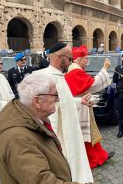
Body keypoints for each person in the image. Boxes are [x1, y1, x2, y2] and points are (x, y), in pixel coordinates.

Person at [0, 73, 89, 184]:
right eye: (55, 95)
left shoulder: (33, 121)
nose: (57, 99)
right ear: (37, 101)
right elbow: (41, 180)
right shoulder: (18, 139)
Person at [34, 42, 94, 183]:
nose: (72, 62)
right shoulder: (47, 77)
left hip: (71, 129)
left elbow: (64, 100)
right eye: (69, 59)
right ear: (59, 57)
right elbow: (48, 112)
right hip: (61, 133)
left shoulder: (60, 75)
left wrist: (80, 101)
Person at [65, 45, 115, 169]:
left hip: (81, 105)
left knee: (89, 134)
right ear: (78, 59)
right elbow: (93, 84)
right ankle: (93, 159)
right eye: (85, 58)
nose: (88, 60)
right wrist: (105, 68)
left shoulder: (73, 70)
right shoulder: (75, 72)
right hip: (80, 107)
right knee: (85, 136)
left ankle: (100, 156)